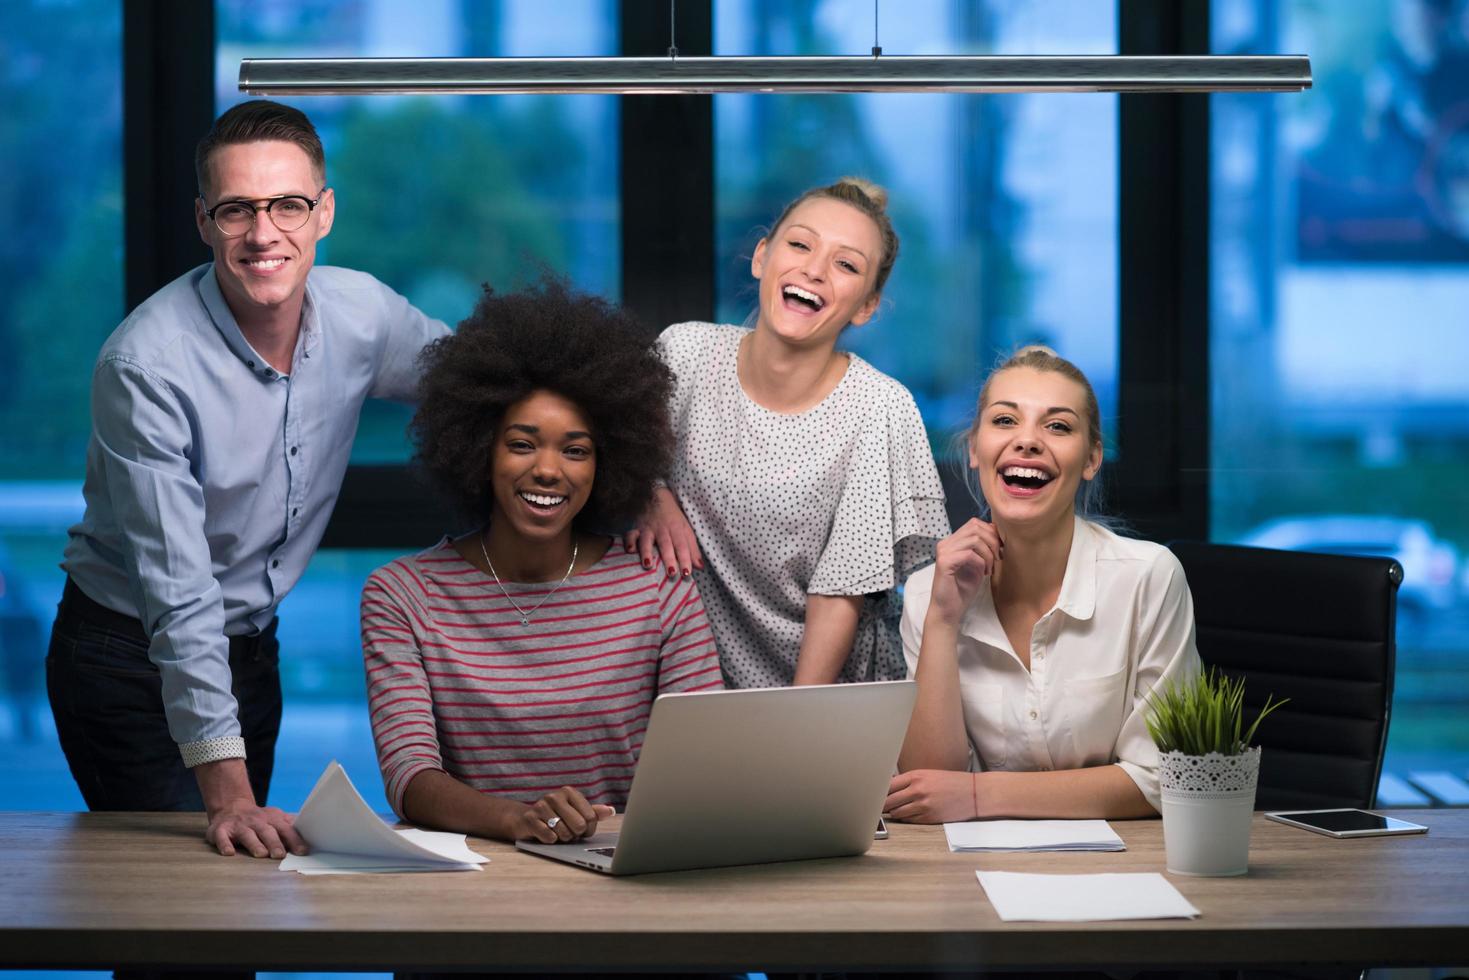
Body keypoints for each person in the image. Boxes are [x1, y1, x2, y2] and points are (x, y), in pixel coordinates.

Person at [47, 100, 451, 859]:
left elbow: (492, 384)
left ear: (324, 212)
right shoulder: (146, 365)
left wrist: (646, 480)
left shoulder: (363, 314)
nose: (264, 234)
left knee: (238, 898)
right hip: (124, 655)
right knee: (180, 910)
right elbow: (178, 590)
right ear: (204, 222)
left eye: (288, 206)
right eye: (237, 210)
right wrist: (228, 793)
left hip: (250, 652)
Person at [360, 279, 723, 844]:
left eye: (575, 450)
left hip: (625, 876)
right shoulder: (404, 596)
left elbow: (705, 763)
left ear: (607, 463)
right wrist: (516, 818)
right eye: (523, 444)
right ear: (480, 449)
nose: (549, 470)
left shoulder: (657, 587)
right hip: (473, 881)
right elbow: (410, 778)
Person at [628, 177, 949, 689]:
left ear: (866, 306)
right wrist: (650, 489)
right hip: (686, 687)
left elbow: (840, 593)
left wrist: (794, 732)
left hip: (827, 697)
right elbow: (606, 457)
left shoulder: (879, 408)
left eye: (846, 265)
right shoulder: (682, 354)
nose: (815, 270)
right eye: (800, 244)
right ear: (761, 257)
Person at [885, 346, 1202, 822]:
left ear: (1092, 458)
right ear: (974, 448)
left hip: (1121, 869)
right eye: (1005, 421)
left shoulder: (1149, 578)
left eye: (1057, 426)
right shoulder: (929, 592)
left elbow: (1164, 777)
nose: (1027, 442)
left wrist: (977, 796)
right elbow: (928, 787)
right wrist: (943, 620)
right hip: (968, 871)